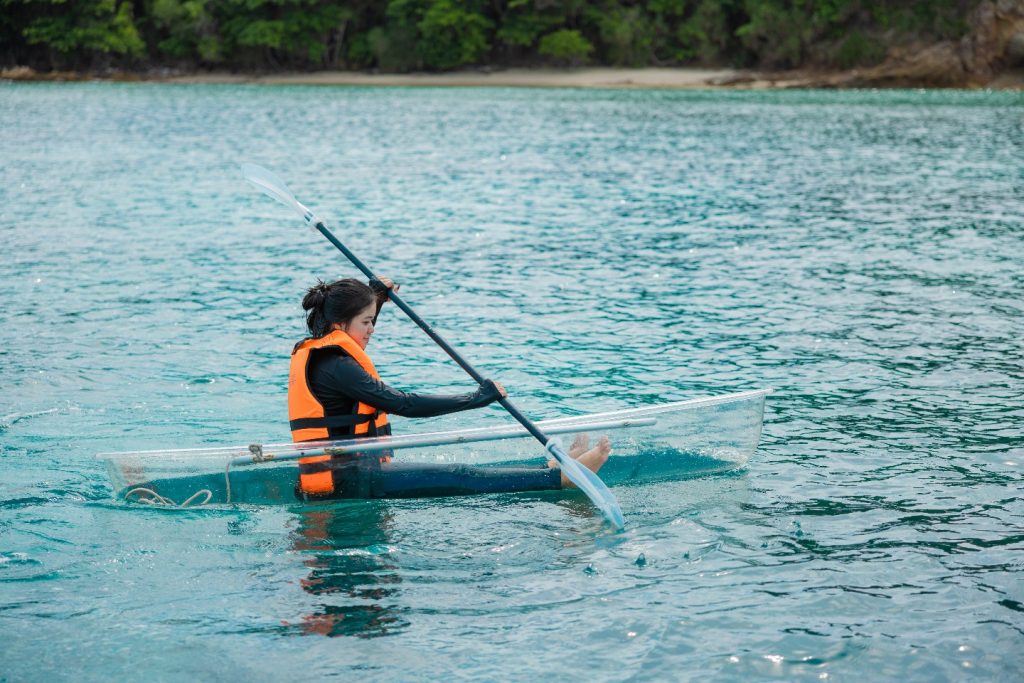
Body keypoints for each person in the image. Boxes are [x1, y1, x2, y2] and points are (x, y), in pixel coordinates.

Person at [287, 277, 610, 499]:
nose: (372, 330)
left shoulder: (329, 350)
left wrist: (376, 297)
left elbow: (351, 325)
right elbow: (404, 405)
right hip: (347, 481)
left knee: (464, 472)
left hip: (357, 468)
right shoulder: (335, 365)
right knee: (459, 474)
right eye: (367, 322)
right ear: (340, 324)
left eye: (374, 319)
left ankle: (546, 468)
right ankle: (560, 480)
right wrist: (476, 399)